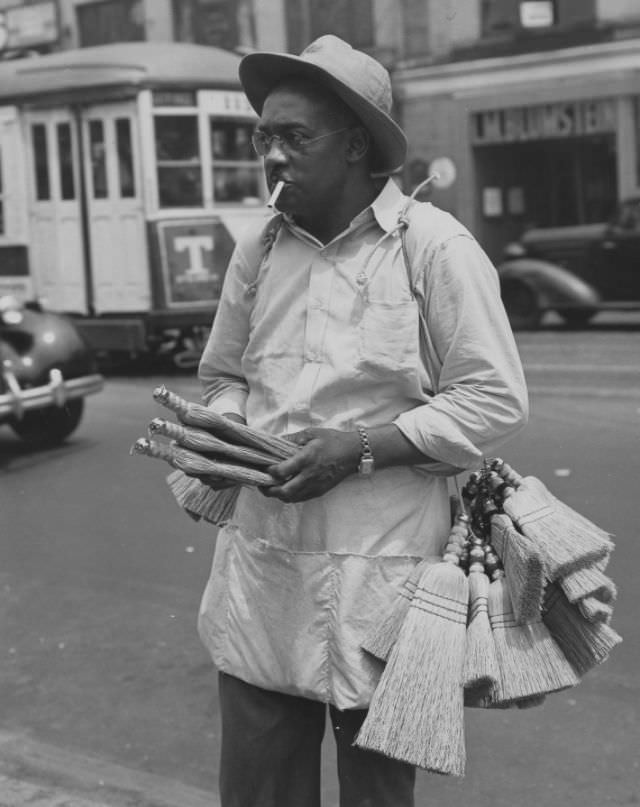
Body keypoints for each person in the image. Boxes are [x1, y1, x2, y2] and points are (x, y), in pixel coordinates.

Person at [197, 34, 529, 807]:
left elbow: (494, 398)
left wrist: (359, 448)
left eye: (294, 137)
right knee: (257, 793)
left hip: (387, 589)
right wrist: (228, 431)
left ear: (355, 147)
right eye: (264, 137)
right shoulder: (258, 248)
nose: (272, 155)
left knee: (378, 796)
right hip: (262, 581)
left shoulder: (434, 248)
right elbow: (221, 376)